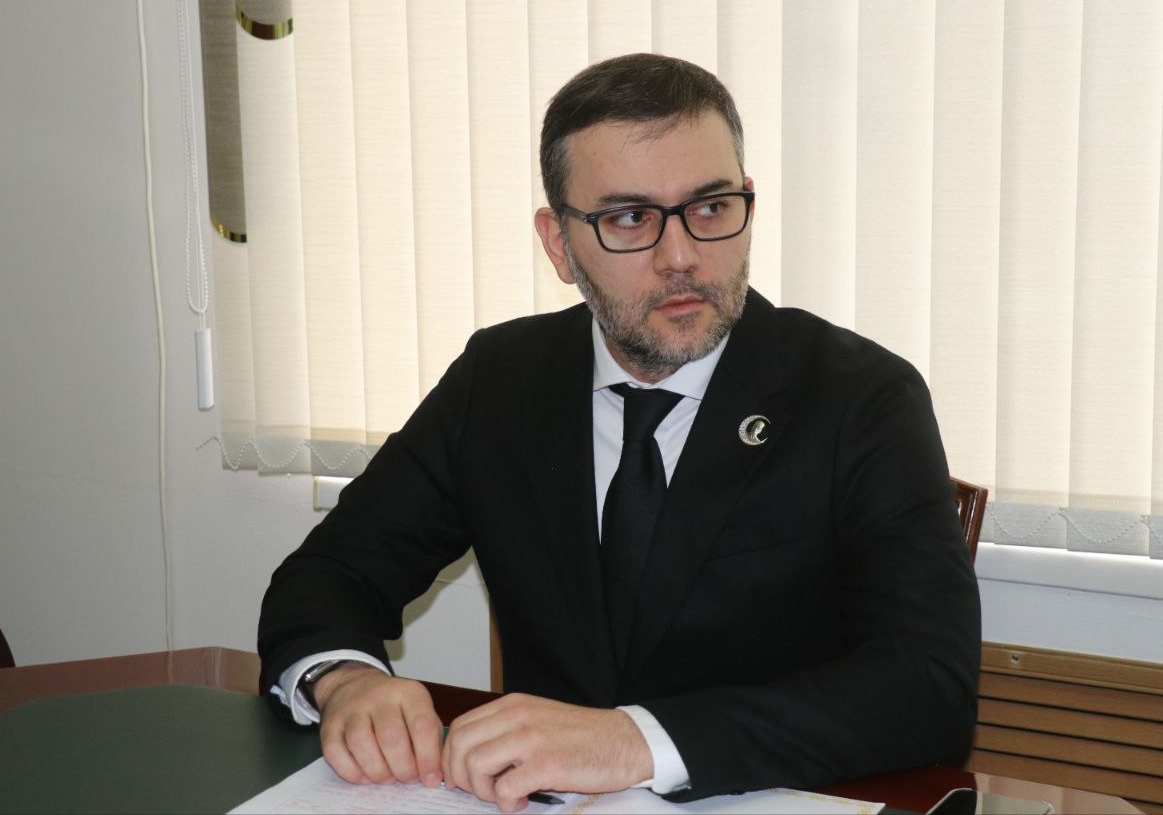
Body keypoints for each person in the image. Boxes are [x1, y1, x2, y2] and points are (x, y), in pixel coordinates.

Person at [258, 52, 980, 813]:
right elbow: (331, 574)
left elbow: (927, 688)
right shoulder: (501, 380)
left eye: (711, 207)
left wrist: (634, 740)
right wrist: (347, 679)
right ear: (559, 243)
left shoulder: (860, 396)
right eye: (630, 218)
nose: (681, 257)